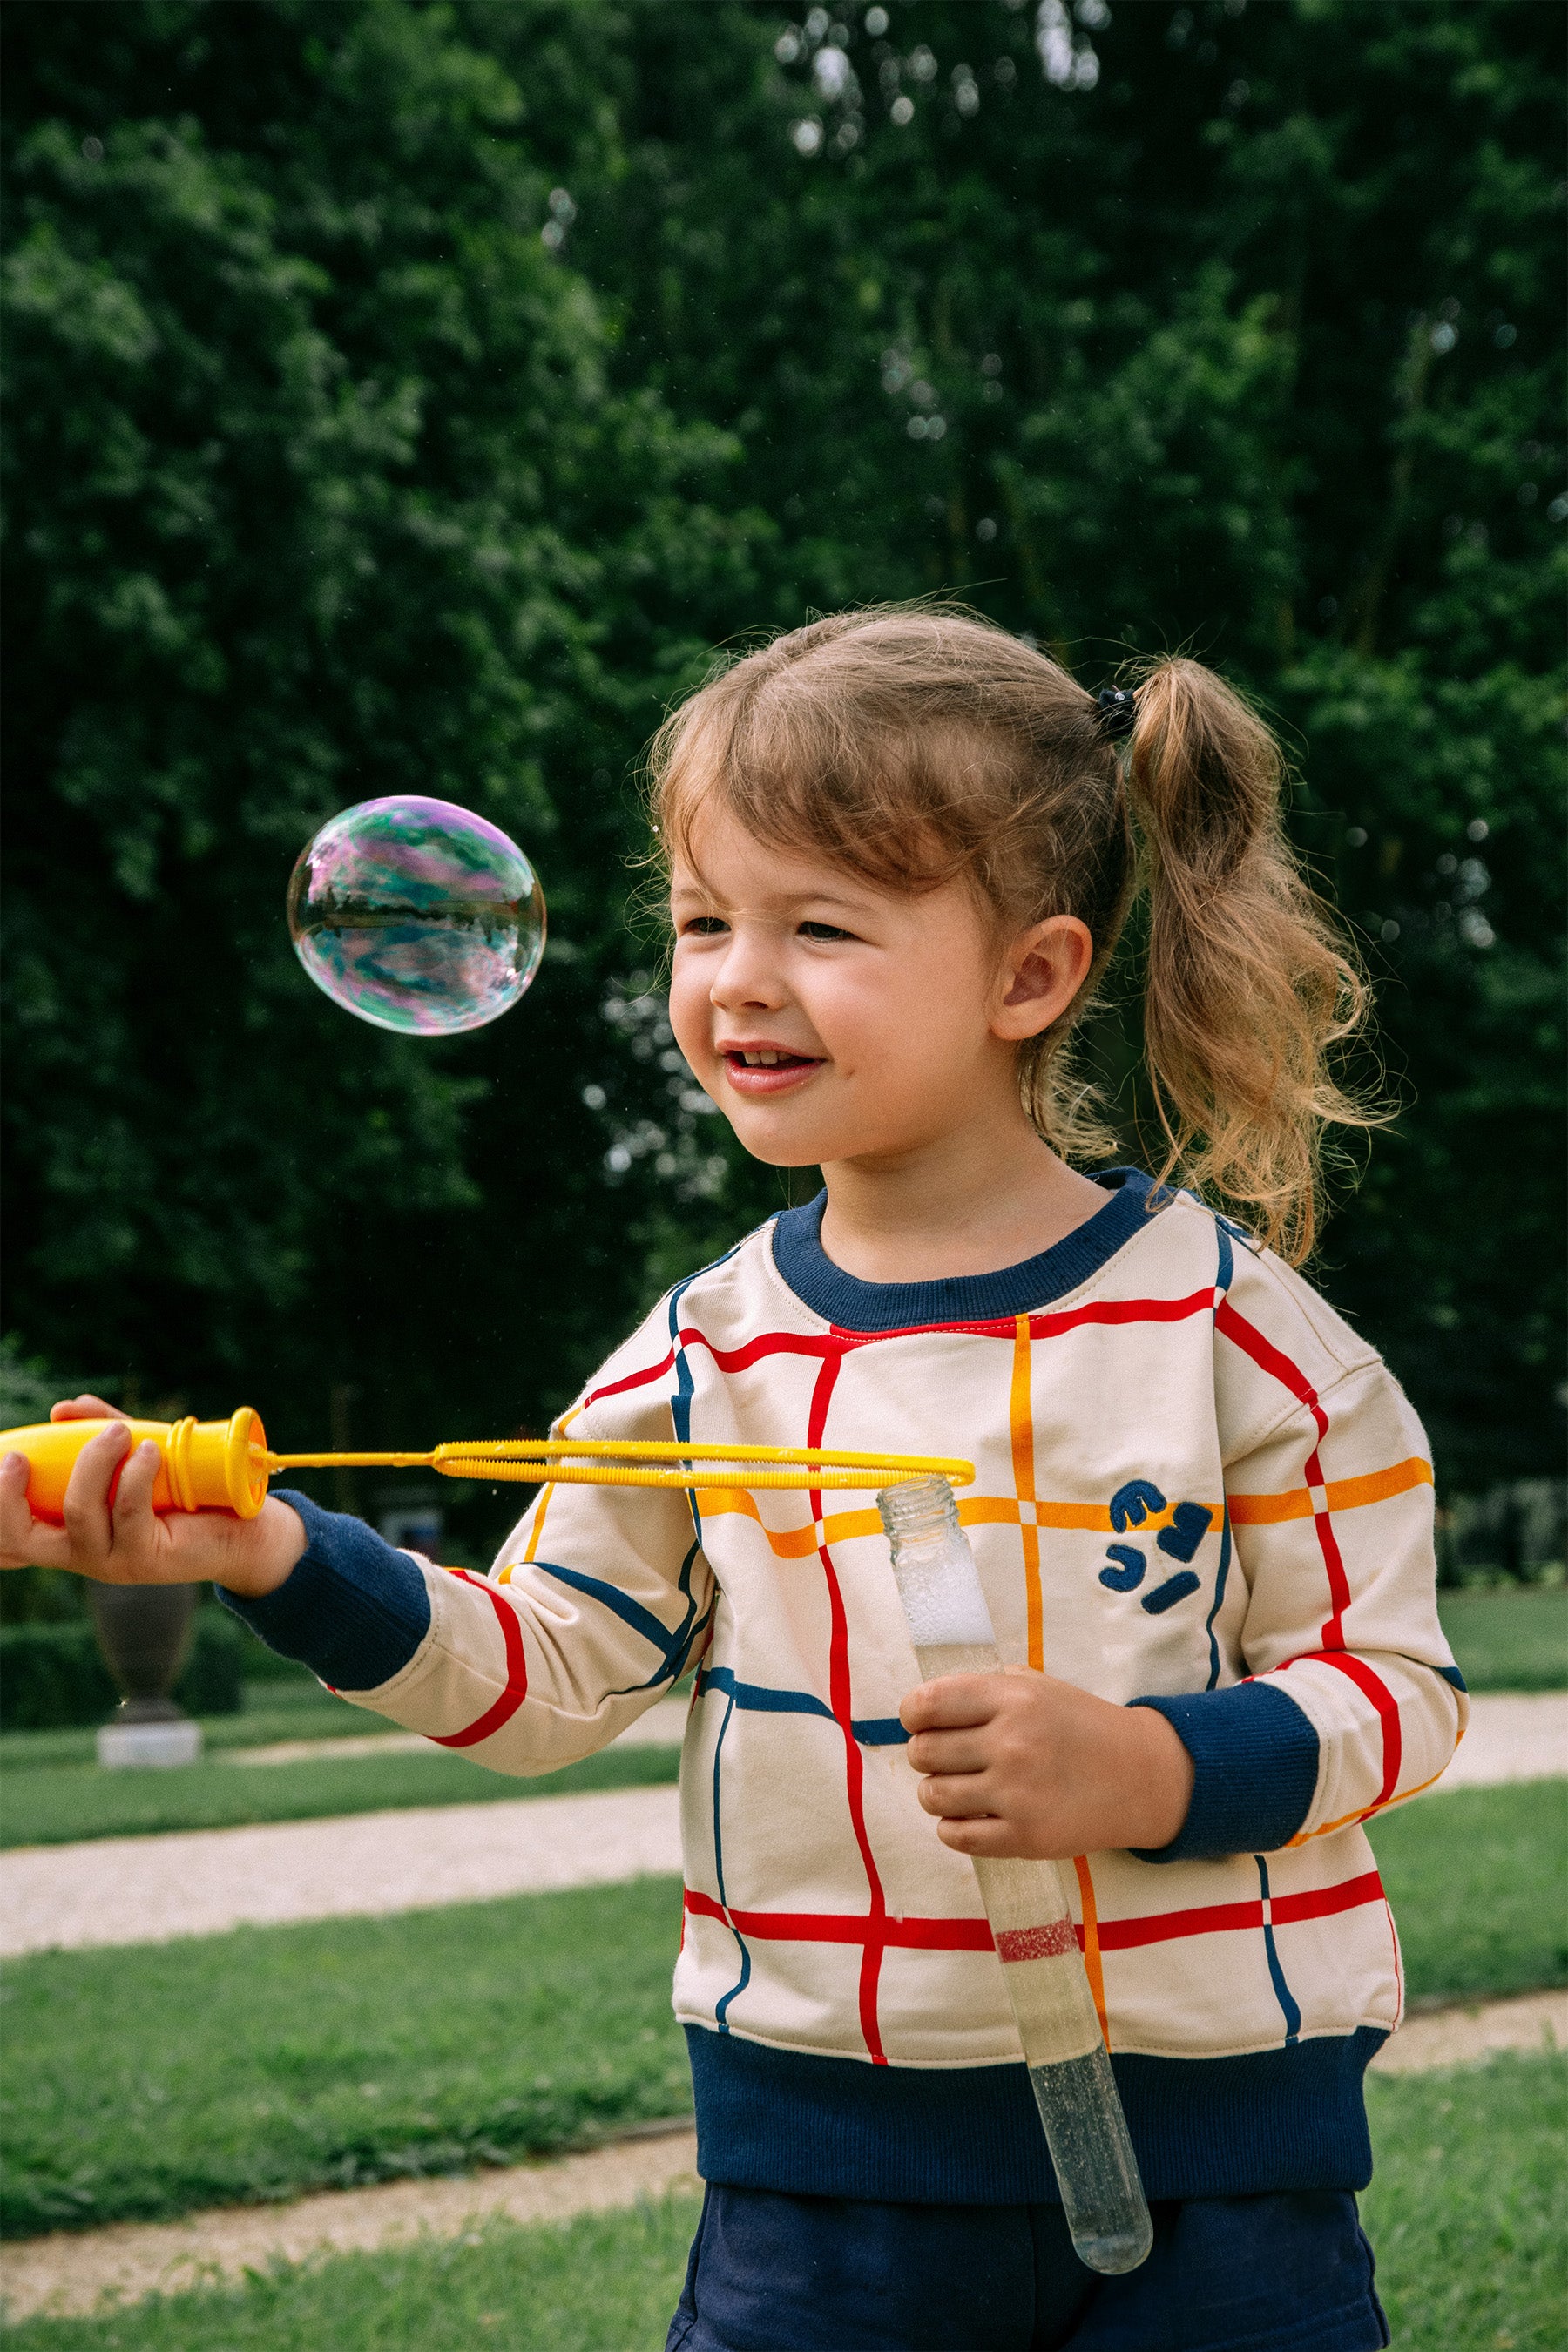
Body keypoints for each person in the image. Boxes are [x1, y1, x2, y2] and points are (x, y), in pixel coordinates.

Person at [2, 609, 1463, 2351]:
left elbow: (1399, 1694)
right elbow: (540, 1671)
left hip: (1231, 2186)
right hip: (822, 2188)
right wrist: (267, 1552)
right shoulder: (702, 1351)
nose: (736, 979)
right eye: (705, 921)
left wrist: (1151, 1768)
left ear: (1031, 974)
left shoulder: (1234, 1331)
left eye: (820, 926)